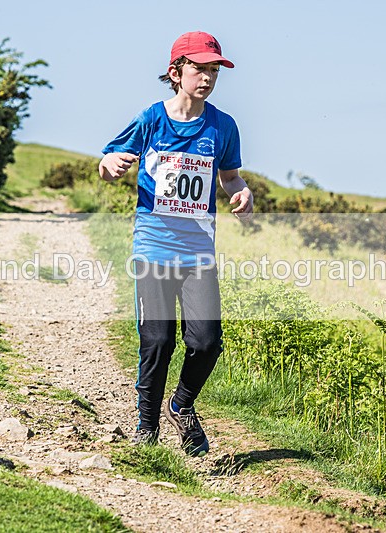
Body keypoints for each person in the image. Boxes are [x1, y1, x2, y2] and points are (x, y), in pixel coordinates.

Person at [99, 31, 253, 457]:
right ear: (176, 72)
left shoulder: (223, 126)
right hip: (152, 247)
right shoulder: (152, 118)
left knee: (206, 342)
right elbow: (108, 160)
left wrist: (242, 192)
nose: (207, 77)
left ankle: (181, 404)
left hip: (198, 251)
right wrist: (110, 164)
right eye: (199, 68)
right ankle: (145, 431)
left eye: (214, 70)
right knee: (158, 340)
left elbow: (230, 177)